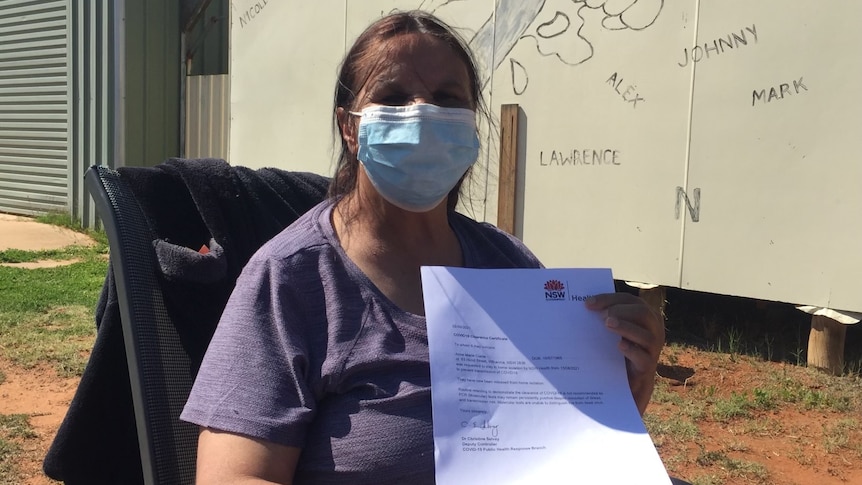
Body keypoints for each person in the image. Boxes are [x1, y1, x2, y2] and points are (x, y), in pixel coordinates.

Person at [181, 10, 666, 484]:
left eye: (446, 98)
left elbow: (569, 445)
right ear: (349, 127)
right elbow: (235, 475)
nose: (422, 113)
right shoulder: (289, 279)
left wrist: (623, 383)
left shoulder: (510, 266)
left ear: (471, 124)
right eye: (392, 96)